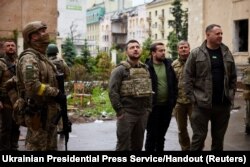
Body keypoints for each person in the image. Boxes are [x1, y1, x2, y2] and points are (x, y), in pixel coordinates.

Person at [184, 24, 237, 151]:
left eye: (221, 33)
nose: (220, 36)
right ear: (208, 35)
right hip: (201, 105)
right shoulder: (196, 53)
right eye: (217, 33)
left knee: (218, 140)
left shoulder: (226, 52)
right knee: (199, 138)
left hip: (222, 105)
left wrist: (230, 95)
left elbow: (233, 77)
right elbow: (187, 77)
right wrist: (193, 99)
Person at [15, 21, 66, 151]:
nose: (46, 33)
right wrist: (55, 93)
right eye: (42, 31)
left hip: (49, 113)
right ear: (33, 36)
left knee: (50, 147)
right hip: (38, 112)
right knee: (37, 147)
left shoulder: (42, 58)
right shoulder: (29, 58)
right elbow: (32, 85)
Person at [108, 39, 152, 151]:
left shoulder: (145, 68)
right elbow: (113, 92)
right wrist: (120, 111)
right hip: (127, 114)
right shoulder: (120, 70)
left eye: (137, 47)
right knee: (123, 146)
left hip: (142, 114)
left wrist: (148, 109)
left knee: (137, 146)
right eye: (132, 47)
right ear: (126, 52)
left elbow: (149, 89)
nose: (135, 49)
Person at [144, 42, 177, 151]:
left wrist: (173, 102)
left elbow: (174, 83)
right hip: (153, 107)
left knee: (161, 136)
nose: (163, 53)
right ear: (153, 53)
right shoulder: (146, 67)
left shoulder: (168, 64)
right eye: (160, 51)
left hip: (167, 107)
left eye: (164, 50)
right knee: (151, 135)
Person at [172, 40, 193, 151]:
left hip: (194, 102)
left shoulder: (195, 62)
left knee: (197, 129)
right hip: (179, 103)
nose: (183, 49)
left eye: (185, 47)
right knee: (182, 129)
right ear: (178, 50)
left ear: (189, 49)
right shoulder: (173, 65)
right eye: (181, 48)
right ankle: (185, 149)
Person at [46, 43, 70, 137]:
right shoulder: (61, 62)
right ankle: (62, 128)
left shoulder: (45, 62)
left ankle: (51, 128)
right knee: (61, 108)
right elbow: (67, 74)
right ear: (56, 51)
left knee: (50, 109)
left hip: (49, 90)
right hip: (60, 89)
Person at [0, 40, 20, 150]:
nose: (11, 47)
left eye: (12, 45)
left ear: (15, 48)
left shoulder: (19, 63)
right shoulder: (1, 63)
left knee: (16, 126)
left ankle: (14, 147)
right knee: (6, 127)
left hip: (17, 101)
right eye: (8, 46)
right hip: (5, 100)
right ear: (4, 49)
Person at [242, 57, 250, 135]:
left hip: (247, 94)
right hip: (248, 93)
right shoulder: (247, 70)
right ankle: (248, 127)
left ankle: (247, 127)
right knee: (248, 111)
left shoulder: (246, 69)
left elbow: (243, 80)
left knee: (247, 111)